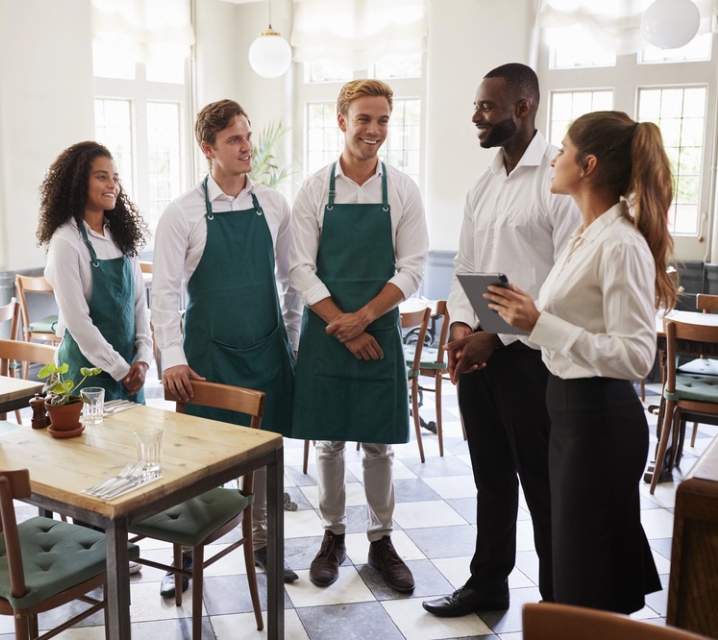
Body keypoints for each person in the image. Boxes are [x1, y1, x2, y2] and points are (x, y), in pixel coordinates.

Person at [487, 110, 669, 613]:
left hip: (601, 421)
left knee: (589, 577)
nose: (553, 159)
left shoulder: (621, 243)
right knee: (574, 567)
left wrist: (539, 323)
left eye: (562, 150)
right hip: (569, 412)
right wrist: (530, 315)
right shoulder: (583, 236)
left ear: (587, 166)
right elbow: (577, 328)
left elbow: (636, 355)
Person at [422, 63, 579, 618]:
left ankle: (559, 603)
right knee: (490, 477)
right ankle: (487, 583)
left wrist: (498, 337)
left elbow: (565, 278)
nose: (476, 116)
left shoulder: (560, 179)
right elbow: (466, 264)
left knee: (542, 483)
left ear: (523, 108)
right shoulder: (484, 185)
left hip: (534, 361)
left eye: (486, 107)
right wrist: (463, 328)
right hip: (481, 354)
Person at [152, 98, 301, 596]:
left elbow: (291, 280)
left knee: (266, 456)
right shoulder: (183, 214)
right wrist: (171, 358)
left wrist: (293, 341)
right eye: (235, 139)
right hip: (207, 358)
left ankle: (264, 544)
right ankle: (188, 555)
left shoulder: (274, 204)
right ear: (207, 148)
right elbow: (165, 293)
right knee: (201, 460)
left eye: (248, 136)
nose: (247, 147)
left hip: (267, 351)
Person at [290, 79, 428, 593]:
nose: (374, 130)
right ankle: (332, 537)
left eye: (384, 120)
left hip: (378, 328)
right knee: (329, 443)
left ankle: (381, 539)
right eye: (365, 119)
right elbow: (300, 269)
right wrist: (344, 328)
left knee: (377, 445)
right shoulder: (313, 189)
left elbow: (413, 269)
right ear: (342, 119)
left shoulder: (403, 189)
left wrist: (364, 317)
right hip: (330, 333)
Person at [39, 141, 152, 404]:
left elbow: (139, 305)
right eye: (102, 177)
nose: (112, 185)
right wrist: (121, 369)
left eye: (115, 178)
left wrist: (143, 358)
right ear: (77, 182)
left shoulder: (121, 237)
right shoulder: (66, 242)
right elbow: (78, 322)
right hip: (84, 376)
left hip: (130, 374)